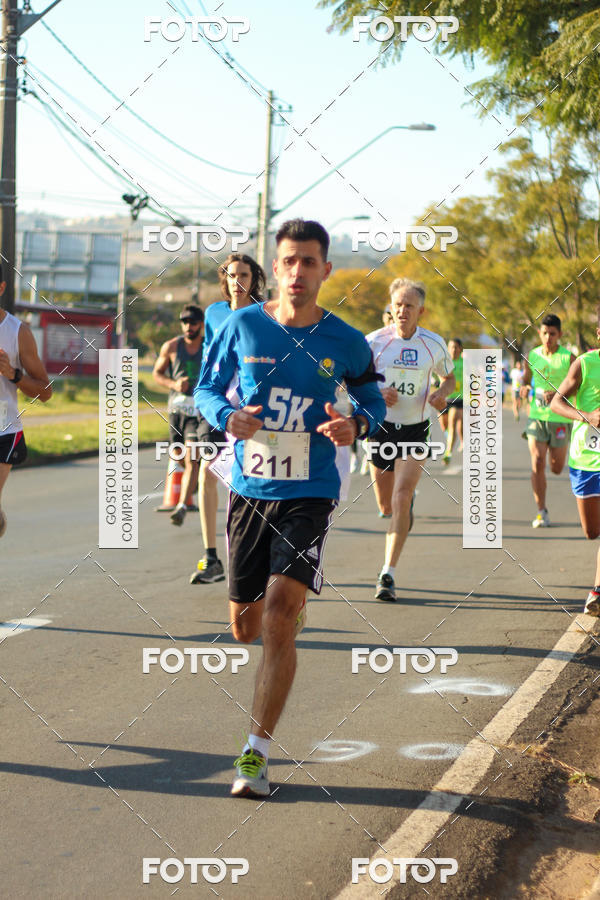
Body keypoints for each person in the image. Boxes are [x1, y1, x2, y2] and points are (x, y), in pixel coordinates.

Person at [194, 218, 385, 798]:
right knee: (245, 629)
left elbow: (373, 399)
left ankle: (255, 753)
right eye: (288, 262)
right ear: (273, 269)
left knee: (278, 610)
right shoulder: (242, 325)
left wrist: (357, 423)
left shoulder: (346, 340)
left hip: (312, 488)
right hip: (251, 490)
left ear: (326, 270)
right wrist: (226, 417)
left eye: (309, 262)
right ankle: (285, 604)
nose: (297, 272)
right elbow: (204, 389)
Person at [366, 278, 455, 602]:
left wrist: (441, 394)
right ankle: (401, 510)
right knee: (387, 505)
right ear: (391, 307)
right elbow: (354, 382)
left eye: (409, 306)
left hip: (415, 429)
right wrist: (376, 392)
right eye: (398, 305)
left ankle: (387, 573)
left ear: (421, 310)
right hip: (380, 428)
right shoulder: (374, 342)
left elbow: (450, 377)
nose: (402, 311)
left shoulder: (433, 344)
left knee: (403, 497)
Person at [190, 253, 266, 585]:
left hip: (251, 409)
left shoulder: (264, 314)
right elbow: (210, 359)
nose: (238, 281)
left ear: (254, 280)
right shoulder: (214, 313)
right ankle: (211, 557)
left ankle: (255, 552)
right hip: (219, 405)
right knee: (207, 471)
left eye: (244, 275)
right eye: (232, 275)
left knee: (249, 482)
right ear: (225, 279)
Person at [550, 309, 600, 615]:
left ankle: (597, 590)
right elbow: (556, 402)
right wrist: (588, 416)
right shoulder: (585, 363)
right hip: (586, 457)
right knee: (592, 531)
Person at [0, 272, 53, 536]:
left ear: (1, 288)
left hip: (3, 430)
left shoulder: (17, 332)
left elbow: (45, 392)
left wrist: (13, 374)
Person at [520, 314, 576, 528]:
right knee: (537, 462)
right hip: (537, 417)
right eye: (544, 333)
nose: (548, 338)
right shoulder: (532, 356)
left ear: (560, 334)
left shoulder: (569, 358)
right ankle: (541, 511)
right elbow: (525, 380)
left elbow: (577, 389)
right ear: (539, 333)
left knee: (556, 467)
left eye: (552, 334)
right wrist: (524, 388)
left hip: (560, 419)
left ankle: (543, 509)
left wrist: (559, 396)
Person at [153, 304, 205, 527]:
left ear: (201, 324)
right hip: (177, 411)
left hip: (199, 412)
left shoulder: (210, 347)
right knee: (179, 455)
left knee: (192, 457)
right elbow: (157, 373)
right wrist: (174, 383)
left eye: (193, 322)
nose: (188, 326)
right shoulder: (172, 346)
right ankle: (194, 477)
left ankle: (182, 505)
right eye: (184, 322)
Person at [442, 338, 463, 465]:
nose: (453, 350)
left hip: (459, 398)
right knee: (445, 427)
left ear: (460, 349)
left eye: (456, 347)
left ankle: (448, 452)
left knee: (452, 423)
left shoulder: (465, 363)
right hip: (445, 399)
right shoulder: (444, 362)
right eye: (451, 347)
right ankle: (455, 441)